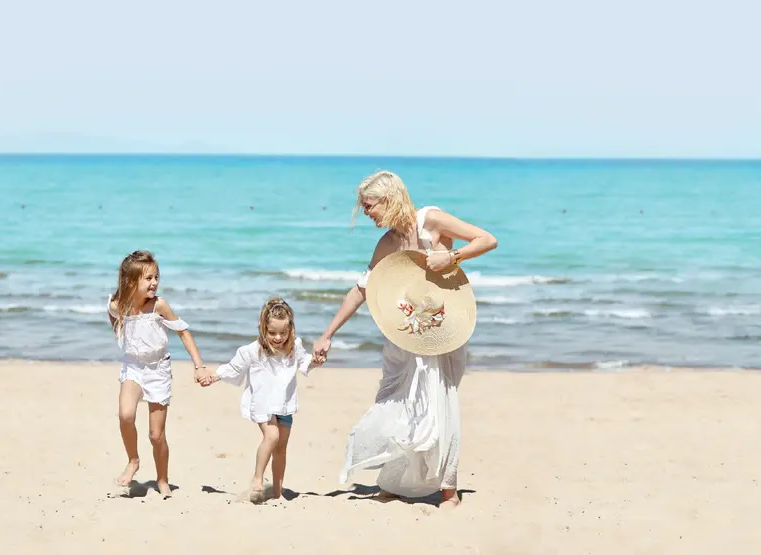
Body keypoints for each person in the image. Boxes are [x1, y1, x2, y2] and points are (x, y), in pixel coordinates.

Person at [312, 170, 497, 508]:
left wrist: (452, 257)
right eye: (365, 207)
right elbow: (361, 289)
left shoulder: (431, 220)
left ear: (389, 198)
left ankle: (448, 491)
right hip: (404, 331)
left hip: (439, 328)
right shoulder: (387, 243)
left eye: (370, 206)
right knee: (395, 399)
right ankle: (396, 480)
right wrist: (327, 334)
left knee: (437, 402)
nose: (367, 213)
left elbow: (487, 239)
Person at [199, 298, 320, 504]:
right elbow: (234, 368)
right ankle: (257, 478)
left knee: (281, 448)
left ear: (291, 329)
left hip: (285, 403)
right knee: (271, 436)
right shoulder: (253, 351)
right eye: (272, 333)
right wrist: (214, 376)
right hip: (262, 403)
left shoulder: (294, 348)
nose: (278, 337)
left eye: (283, 333)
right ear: (263, 328)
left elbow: (305, 363)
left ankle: (278, 492)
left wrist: (316, 361)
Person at [107, 250, 208, 497]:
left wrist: (199, 365)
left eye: (156, 277)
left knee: (156, 435)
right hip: (133, 366)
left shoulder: (158, 306)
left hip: (158, 369)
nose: (154, 283)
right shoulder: (116, 304)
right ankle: (133, 461)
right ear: (130, 282)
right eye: (148, 278)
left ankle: (162, 479)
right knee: (126, 415)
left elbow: (183, 332)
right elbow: (114, 321)